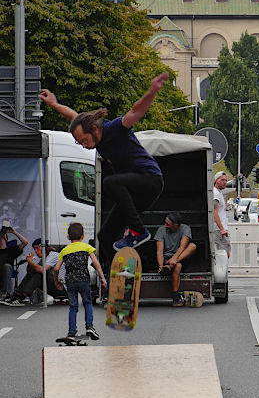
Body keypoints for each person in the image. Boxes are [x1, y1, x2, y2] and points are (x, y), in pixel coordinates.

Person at [39, 73, 169, 270]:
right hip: (134, 192)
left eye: (84, 141)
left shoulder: (115, 128)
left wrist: (152, 91)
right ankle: (113, 273)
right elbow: (73, 116)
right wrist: (54, 104)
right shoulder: (88, 129)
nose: (83, 145)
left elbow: (136, 111)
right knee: (104, 235)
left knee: (110, 182)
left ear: (94, 129)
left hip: (149, 179)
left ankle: (139, 231)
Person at [54, 223, 106, 340]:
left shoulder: (64, 250)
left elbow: (57, 268)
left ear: (68, 237)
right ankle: (89, 327)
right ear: (83, 236)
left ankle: (71, 332)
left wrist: (56, 280)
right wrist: (102, 278)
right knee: (87, 303)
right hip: (83, 280)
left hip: (70, 282)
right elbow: (96, 263)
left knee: (73, 307)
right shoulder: (87, 247)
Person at [154, 212, 197, 307]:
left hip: (179, 257)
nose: (165, 225)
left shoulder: (185, 229)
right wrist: (161, 266)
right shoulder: (161, 230)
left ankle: (170, 265)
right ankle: (175, 298)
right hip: (166, 259)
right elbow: (159, 251)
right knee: (178, 266)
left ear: (176, 226)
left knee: (192, 246)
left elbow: (182, 246)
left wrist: (174, 259)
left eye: (168, 224)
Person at [5, 238, 65, 305]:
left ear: (44, 247)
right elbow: (30, 272)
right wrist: (29, 263)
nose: (36, 251)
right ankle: (17, 295)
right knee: (34, 271)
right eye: (34, 249)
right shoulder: (44, 258)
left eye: (37, 248)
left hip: (62, 288)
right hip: (56, 286)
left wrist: (31, 263)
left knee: (39, 274)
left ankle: (21, 297)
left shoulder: (53, 255)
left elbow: (42, 270)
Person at [0, 223, 29, 301]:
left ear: (7, 238)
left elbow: (25, 242)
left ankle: (3, 294)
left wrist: (14, 232)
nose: (2, 236)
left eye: (4, 235)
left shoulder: (11, 250)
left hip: (5, 273)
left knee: (7, 266)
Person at [213, 171, 230, 258]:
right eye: (222, 180)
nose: (225, 182)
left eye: (226, 180)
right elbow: (214, 211)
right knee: (223, 255)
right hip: (218, 230)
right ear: (216, 180)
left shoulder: (219, 192)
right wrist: (222, 229)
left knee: (226, 254)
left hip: (221, 229)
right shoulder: (215, 193)